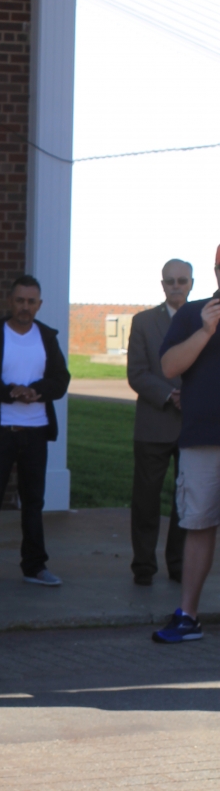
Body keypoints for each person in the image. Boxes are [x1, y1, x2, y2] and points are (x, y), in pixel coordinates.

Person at [0, 275, 70, 588]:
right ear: (10, 302)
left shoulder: (47, 337)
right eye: (20, 300)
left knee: (33, 503)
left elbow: (61, 379)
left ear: (39, 305)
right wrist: (9, 391)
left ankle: (35, 567)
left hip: (36, 432)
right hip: (0, 432)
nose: (25, 307)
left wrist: (37, 391)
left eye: (31, 302)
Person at [153, 245, 220, 643]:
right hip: (202, 441)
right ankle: (188, 616)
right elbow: (169, 367)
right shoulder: (194, 314)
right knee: (198, 525)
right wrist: (205, 332)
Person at [126, 259, 191, 586]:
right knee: (146, 500)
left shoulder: (205, 320)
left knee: (186, 501)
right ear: (162, 284)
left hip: (194, 425)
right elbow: (136, 372)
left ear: (191, 283)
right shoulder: (143, 322)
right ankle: (144, 566)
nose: (176, 286)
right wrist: (170, 395)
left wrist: (191, 396)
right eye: (170, 281)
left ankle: (179, 565)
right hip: (154, 422)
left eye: (182, 280)